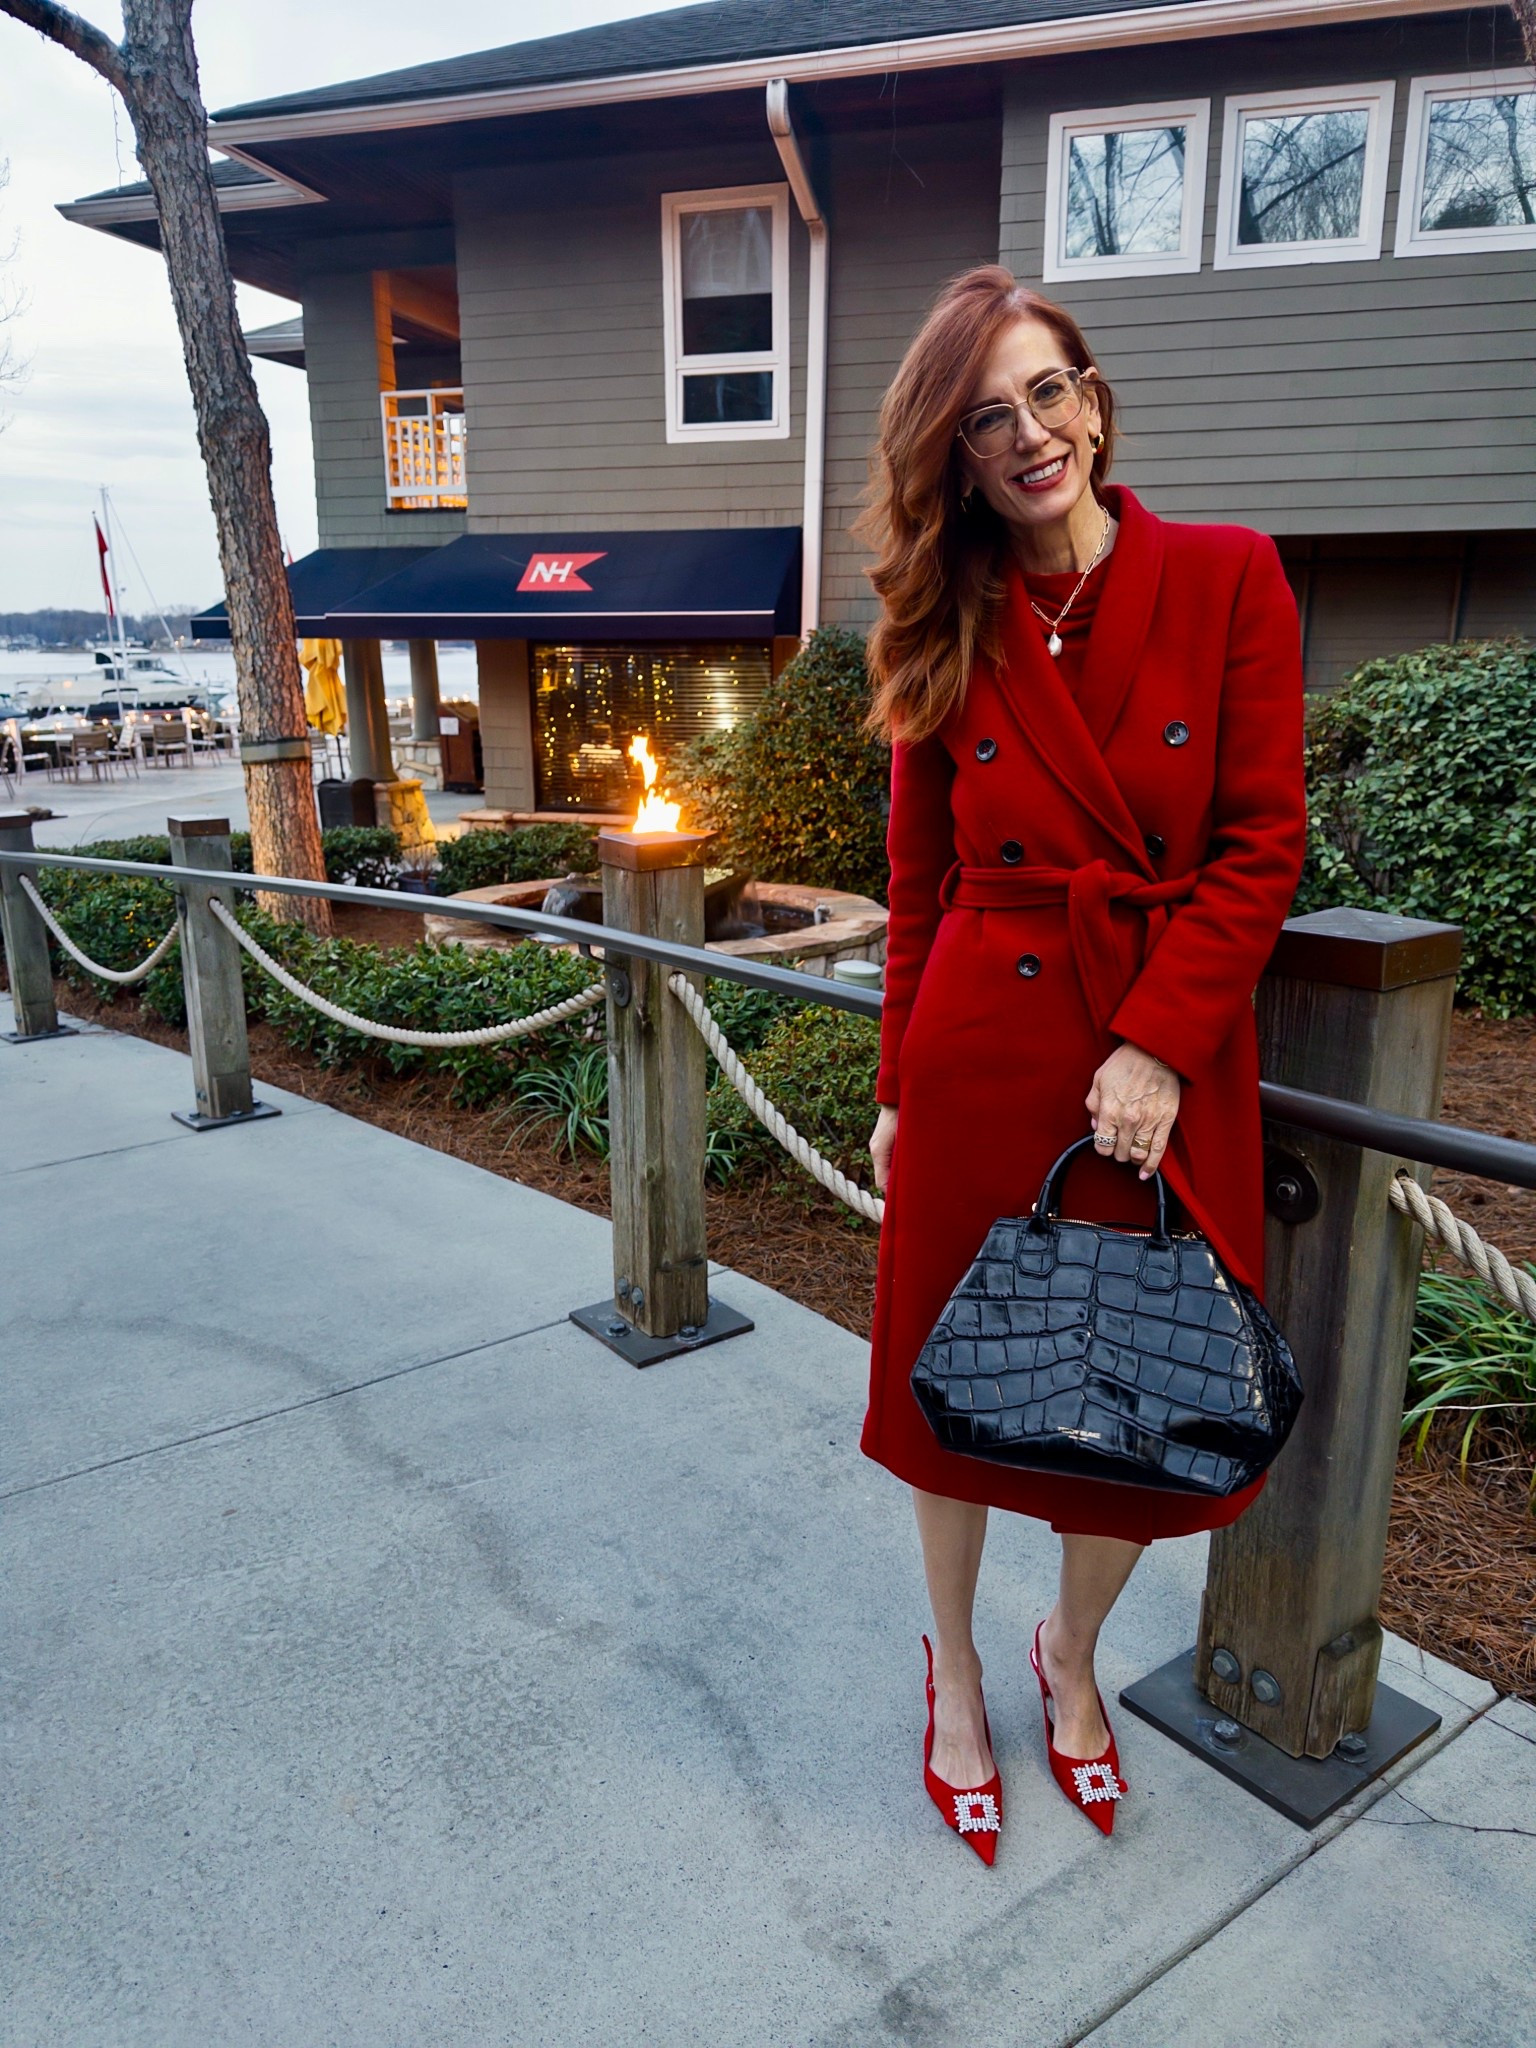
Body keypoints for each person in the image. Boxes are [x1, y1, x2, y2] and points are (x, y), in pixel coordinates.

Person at [857, 265, 1308, 1858]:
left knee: (1141, 1397)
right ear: (960, 461)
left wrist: (1158, 1044)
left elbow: (1261, 841)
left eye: (1046, 392)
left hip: (1155, 1060)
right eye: (987, 419)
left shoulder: (1230, 575)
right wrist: (897, 1089)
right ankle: (959, 1671)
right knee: (955, 1392)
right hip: (981, 1046)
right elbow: (918, 884)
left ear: (1095, 404)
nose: (1028, 434)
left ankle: (1070, 1654)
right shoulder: (942, 621)